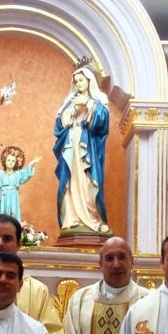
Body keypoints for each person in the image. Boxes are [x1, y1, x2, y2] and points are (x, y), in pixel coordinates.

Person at [53, 65, 110, 233]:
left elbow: (102, 121)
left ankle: (93, 219)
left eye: (81, 80)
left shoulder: (99, 102)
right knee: (71, 181)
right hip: (71, 145)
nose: (78, 84)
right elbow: (58, 125)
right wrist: (70, 113)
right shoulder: (70, 101)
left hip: (88, 148)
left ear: (89, 81)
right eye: (76, 81)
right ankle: (71, 218)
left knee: (87, 183)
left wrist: (88, 104)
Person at [0, 145, 40, 222]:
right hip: (3, 195)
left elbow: (26, 173)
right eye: (8, 160)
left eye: (13, 161)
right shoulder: (0, 174)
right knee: (3, 214)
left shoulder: (18, 174)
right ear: (5, 161)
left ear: (15, 163)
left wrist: (32, 163)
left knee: (13, 212)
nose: (10, 162)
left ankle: (14, 227)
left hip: (13, 196)